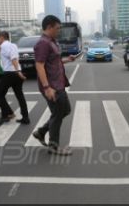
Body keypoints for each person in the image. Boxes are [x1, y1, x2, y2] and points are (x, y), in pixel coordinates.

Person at [32, 15, 77, 156]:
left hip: (58, 83)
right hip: (52, 86)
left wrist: (67, 60)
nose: (59, 31)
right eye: (57, 28)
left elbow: (53, 62)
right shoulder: (43, 43)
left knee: (64, 110)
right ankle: (53, 146)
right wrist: (47, 88)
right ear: (49, 27)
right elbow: (39, 65)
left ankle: (41, 132)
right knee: (58, 113)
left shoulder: (51, 42)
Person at [0, 31, 29, 124]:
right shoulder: (13, 45)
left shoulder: (4, 46)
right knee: (20, 96)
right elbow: (14, 58)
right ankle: (25, 117)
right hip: (16, 73)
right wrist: (19, 71)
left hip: (9, 73)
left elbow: (13, 58)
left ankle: (6, 115)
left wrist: (18, 72)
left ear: (2, 37)